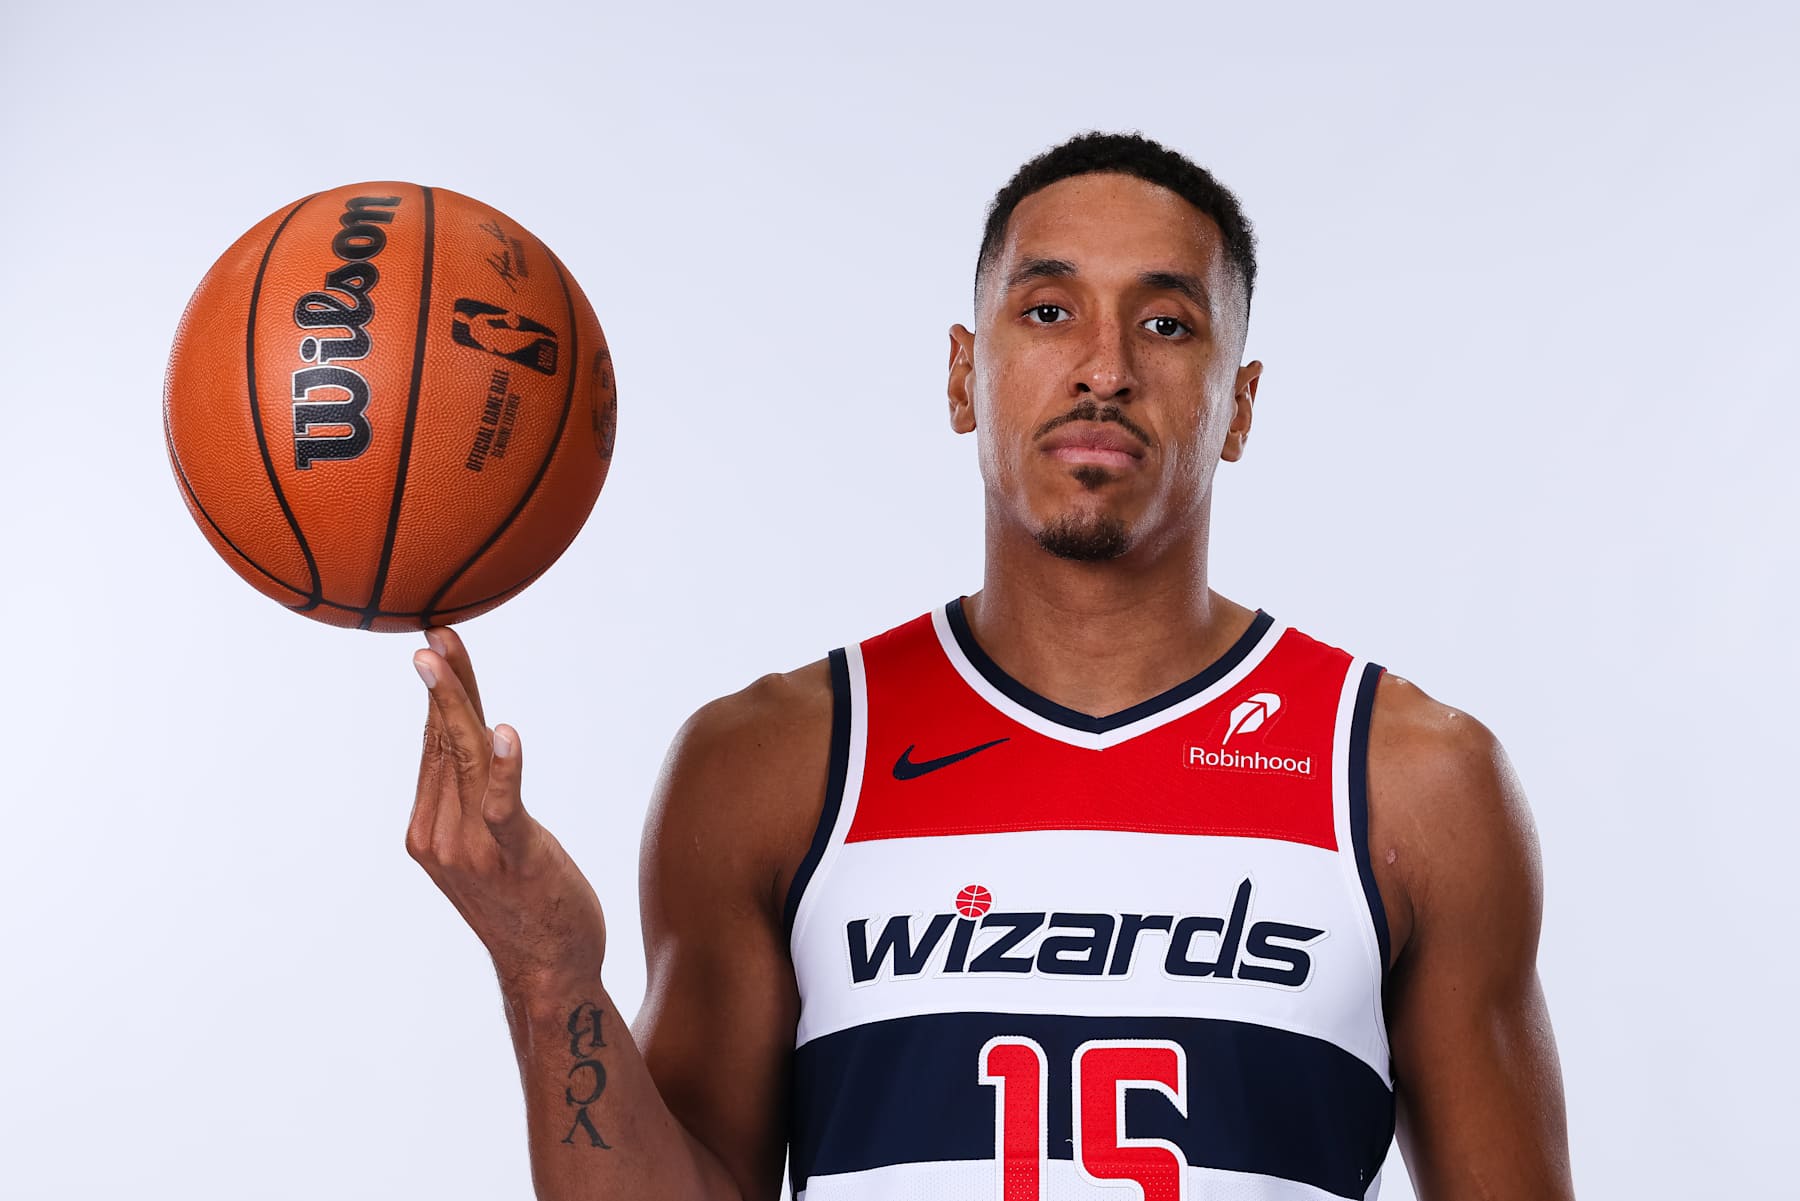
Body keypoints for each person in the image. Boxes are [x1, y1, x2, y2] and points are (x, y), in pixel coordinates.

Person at [405, 131, 1575, 1201]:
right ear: (964, 374)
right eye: (1050, 311)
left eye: (1166, 323)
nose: (1104, 367)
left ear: (1240, 406)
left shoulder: (1410, 784)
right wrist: (548, 968)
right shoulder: (776, 764)